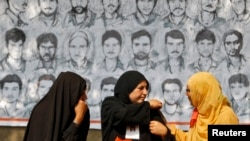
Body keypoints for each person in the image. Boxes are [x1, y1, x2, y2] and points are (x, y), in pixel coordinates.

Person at [101, 70, 174, 141]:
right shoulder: (110, 104)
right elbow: (123, 114)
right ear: (128, 88)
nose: (145, 92)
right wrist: (148, 105)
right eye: (141, 88)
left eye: (146, 88)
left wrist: (165, 133)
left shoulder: (150, 112)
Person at [166, 72, 239, 141]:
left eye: (189, 90)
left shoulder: (226, 116)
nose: (186, 94)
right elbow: (191, 139)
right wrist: (172, 131)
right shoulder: (200, 113)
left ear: (201, 92)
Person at [23, 71, 90, 141]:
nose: (85, 97)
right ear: (70, 93)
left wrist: (79, 119)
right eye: (81, 93)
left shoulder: (81, 111)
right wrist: (76, 122)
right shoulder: (40, 113)